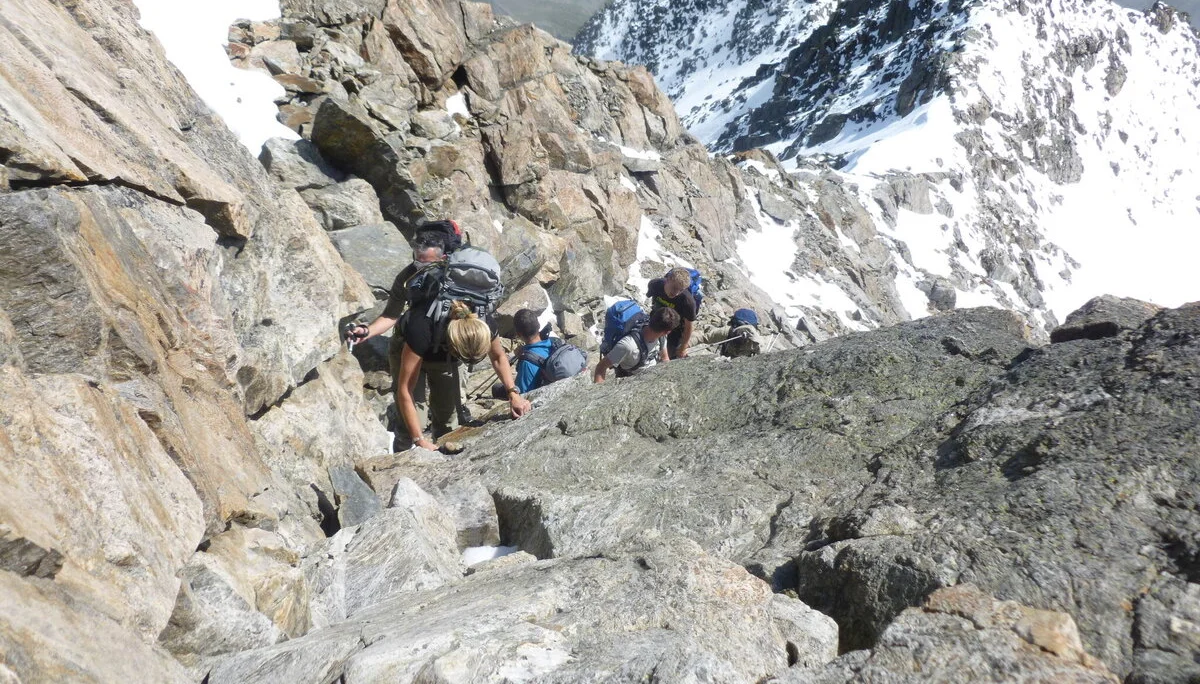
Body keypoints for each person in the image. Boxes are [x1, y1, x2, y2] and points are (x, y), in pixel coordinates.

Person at [347, 235, 530, 451]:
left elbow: (499, 357)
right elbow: (406, 389)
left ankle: (446, 450)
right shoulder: (421, 327)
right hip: (411, 349)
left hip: (442, 357)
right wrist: (419, 440)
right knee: (413, 416)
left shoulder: (483, 321)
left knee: (449, 419)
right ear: (453, 345)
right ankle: (402, 453)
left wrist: (513, 394)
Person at [593, 307, 680, 383]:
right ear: (668, 332)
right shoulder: (628, 345)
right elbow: (601, 367)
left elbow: (665, 358)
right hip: (630, 382)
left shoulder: (661, 337)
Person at [646, 267, 698, 360]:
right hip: (655, 321)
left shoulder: (688, 301)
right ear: (668, 279)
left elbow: (689, 326)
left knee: (668, 356)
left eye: (681, 290)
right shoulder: (655, 285)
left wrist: (683, 347)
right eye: (674, 288)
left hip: (674, 331)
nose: (676, 293)